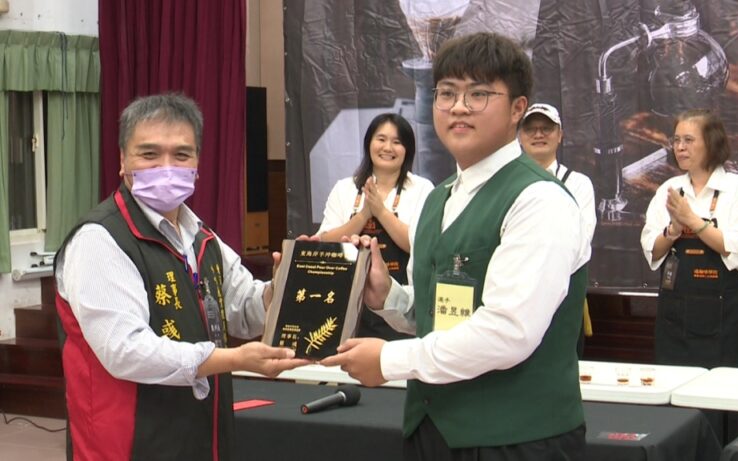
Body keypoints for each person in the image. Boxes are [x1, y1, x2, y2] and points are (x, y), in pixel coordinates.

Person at [322, 32, 590, 460]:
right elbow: (440, 314)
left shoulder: (540, 199)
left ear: (517, 109)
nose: (459, 107)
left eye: (478, 94)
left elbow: (508, 332)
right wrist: (387, 296)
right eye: (446, 93)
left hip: (517, 440)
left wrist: (389, 361)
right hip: (431, 430)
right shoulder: (438, 198)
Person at [54, 93, 308, 461]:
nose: (166, 167)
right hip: (128, 447)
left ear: (197, 164)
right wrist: (233, 360)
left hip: (200, 437)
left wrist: (278, 290)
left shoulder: (201, 237)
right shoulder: (100, 239)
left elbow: (243, 310)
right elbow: (125, 350)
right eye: (149, 154)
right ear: (123, 160)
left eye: (181, 155)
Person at [640, 108, 738, 369]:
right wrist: (673, 231)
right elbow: (652, 250)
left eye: (689, 140)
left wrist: (692, 221)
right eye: (676, 140)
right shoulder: (669, 189)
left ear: (712, 143)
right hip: (675, 318)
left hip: (726, 318)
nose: (680, 147)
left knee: (722, 391)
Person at [316, 113, 434, 339]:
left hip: (401, 306)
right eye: (381, 139)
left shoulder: (422, 189)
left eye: (397, 142)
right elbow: (325, 243)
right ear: (369, 143)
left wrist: (380, 211)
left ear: (407, 150)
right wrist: (363, 216)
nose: (388, 147)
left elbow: (420, 246)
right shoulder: (345, 188)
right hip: (345, 303)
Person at [518, 102, 596, 357]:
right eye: (531, 129)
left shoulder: (579, 184)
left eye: (546, 128)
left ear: (560, 135)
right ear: (519, 136)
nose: (538, 134)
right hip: (517, 296)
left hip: (564, 297)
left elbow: (581, 241)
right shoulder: (505, 184)